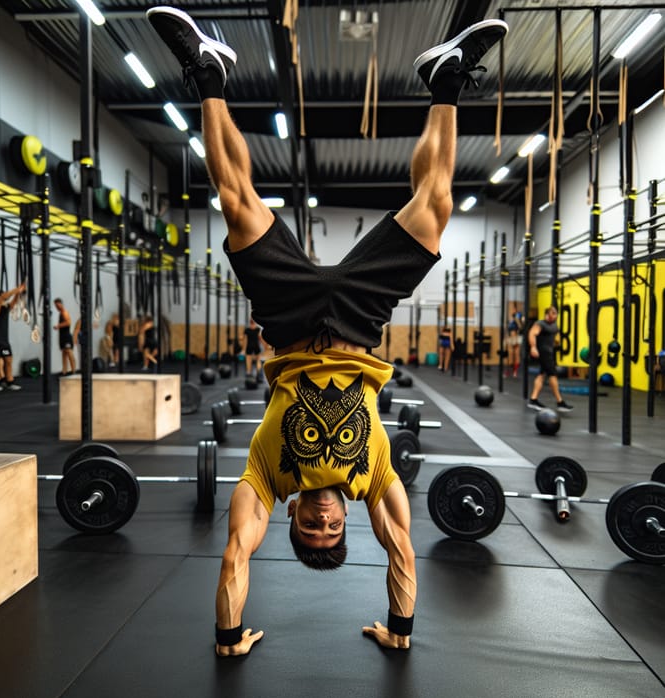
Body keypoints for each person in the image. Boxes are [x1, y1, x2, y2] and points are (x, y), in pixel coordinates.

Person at [147, 5, 507, 656]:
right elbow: (402, 550)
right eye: (331, 531)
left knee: (235, 201)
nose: (321, 519)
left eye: (310, 529)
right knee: (436, 208)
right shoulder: (373, 479)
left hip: (287, 320)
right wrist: (399, 631)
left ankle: (207, 72)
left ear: (289, 517)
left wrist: (227, 636)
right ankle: (447, 81)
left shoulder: (267, 480)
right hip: (358, 324)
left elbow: (234, 558)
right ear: (347, 524)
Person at [526, 305, 573, 412]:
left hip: (549, 352)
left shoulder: (554, 325)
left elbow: (550, 338)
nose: (555, 316)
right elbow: (532, 334)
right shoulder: (540, 324)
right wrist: (533, 347)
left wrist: (556, 343)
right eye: (553, 313)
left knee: (541, 375)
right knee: (553, 375)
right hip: (543, 353)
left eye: (556, 314)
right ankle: (560, 402)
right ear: (548, 314)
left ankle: (533, 399)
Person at [0, 283, 25, 392]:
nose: (4, 298)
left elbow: (13, 302)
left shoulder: (5, 308)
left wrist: (18, 293)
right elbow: (4, 297)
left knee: (8, 360)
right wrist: (18, 289)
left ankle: (9, 381)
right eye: (2, 296)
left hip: (4, 339)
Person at [53, 298, 76, 376]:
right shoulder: (61, 313)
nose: (56, 307)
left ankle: (73, 371)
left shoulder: (64, 312)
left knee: (69, 352)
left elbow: (68, 323)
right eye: (55, 306)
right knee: (64, 353)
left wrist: (58, 326)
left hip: (66, 336)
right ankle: (64, 371)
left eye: (57, 305)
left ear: (60, 304)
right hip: (63, 336)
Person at [505, 306, 523, 378]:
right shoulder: (510, 319)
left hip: (516, 337)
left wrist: (517, 319)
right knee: (510, 354)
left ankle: (515, 372)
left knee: (516, 354)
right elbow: (508, 329)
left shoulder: (519, 316)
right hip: (511, 337)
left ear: (516, 309)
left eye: (513, 309)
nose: (512, 310)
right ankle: (509, 371)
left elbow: (520, 327)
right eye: (511, 309)